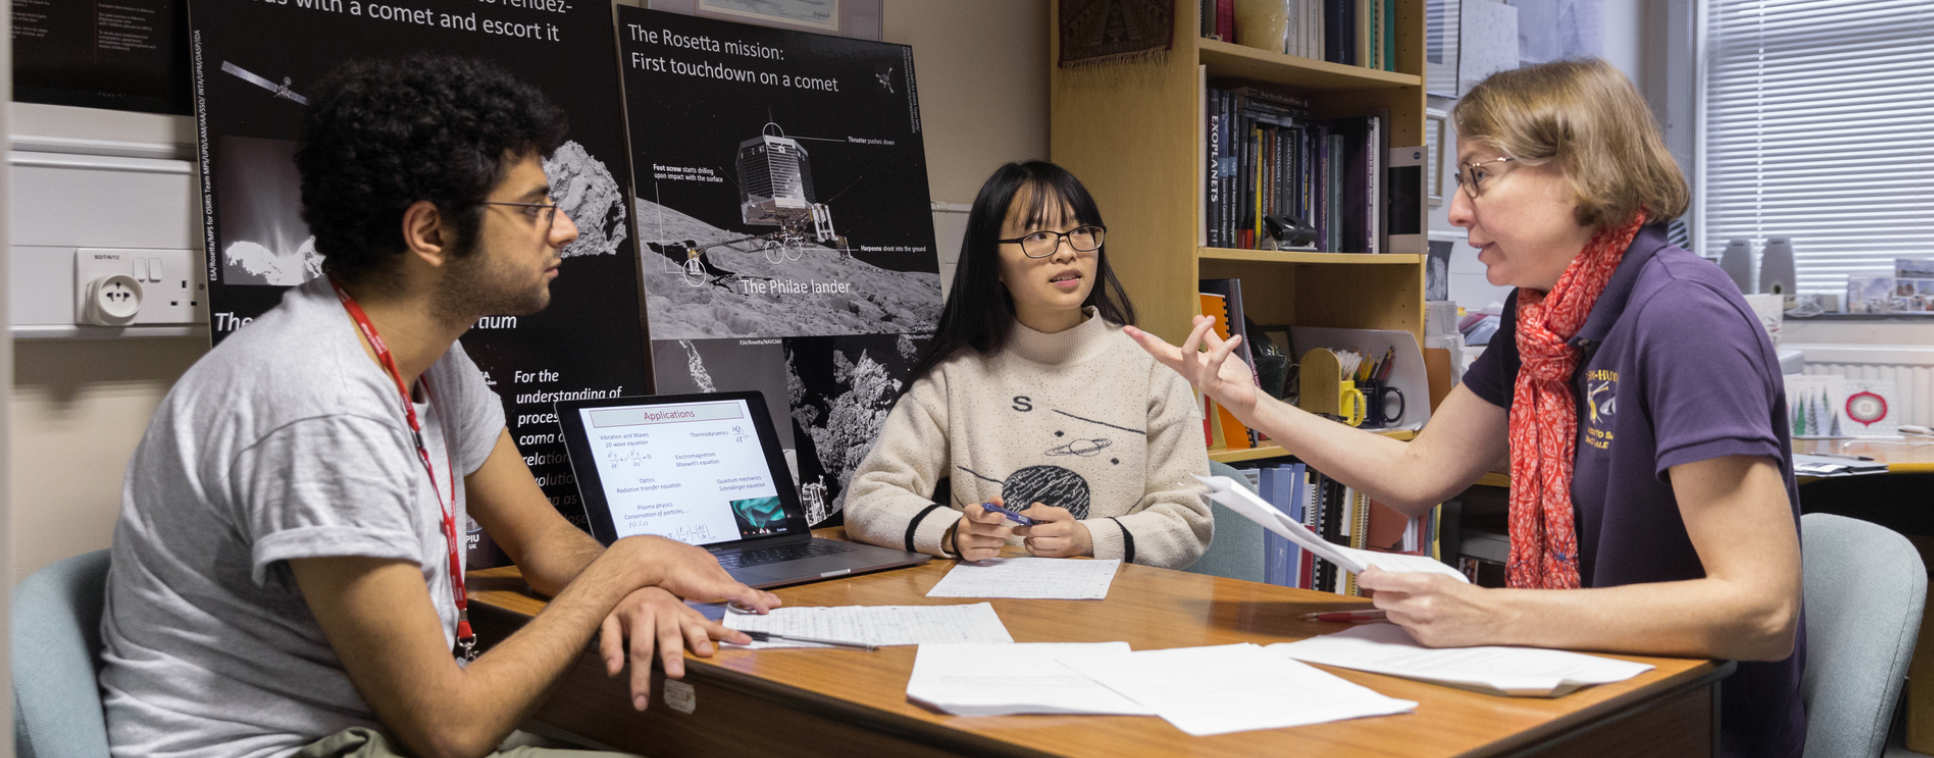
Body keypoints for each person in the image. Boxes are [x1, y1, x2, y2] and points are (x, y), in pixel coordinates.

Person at [97, 56, 780, 758]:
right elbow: (449, 733)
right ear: (429, 233)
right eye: (534, 207)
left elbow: (543, 545)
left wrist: (620, 589)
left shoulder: (425, 357)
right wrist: (625, 568)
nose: (567, 229)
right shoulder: (322, 405)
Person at [1127, 59, 1803, 757]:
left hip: (1687, 721)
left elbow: (1762, 608)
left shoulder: (1683, 315)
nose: (1454, 210)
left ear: (1579, 170)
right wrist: (1253, 404)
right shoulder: (1536, 318)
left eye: (1478, 175)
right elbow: (1419, 471)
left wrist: (1490, 613)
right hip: (1572, 687)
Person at [844, 161, 1212, 568]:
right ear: (993, 262)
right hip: (990, 611)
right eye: (1038, 236)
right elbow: (869, 498)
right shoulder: (955, 377)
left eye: (1081, 231)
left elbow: (1189, 519)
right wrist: (953, 531)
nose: (1068, 252)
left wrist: (1088, 538)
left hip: (1120, 609)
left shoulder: (1152, 370)